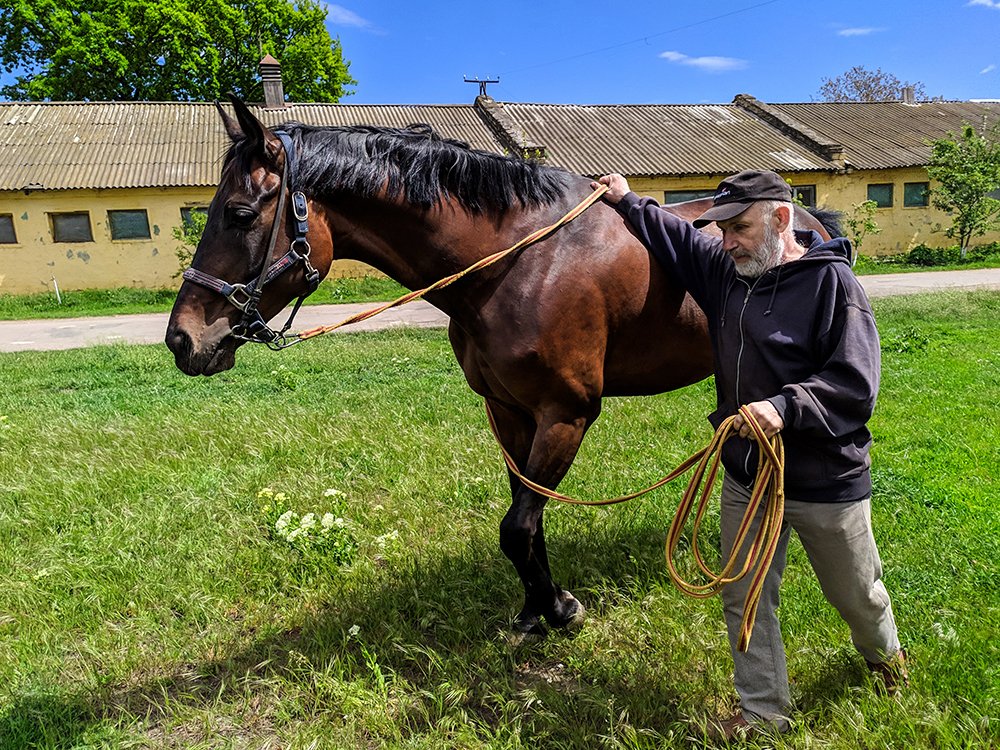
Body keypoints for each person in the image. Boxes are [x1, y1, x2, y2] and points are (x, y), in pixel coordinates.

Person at [592, 170, 907, 740]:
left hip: (822, 478)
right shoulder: (726, 273)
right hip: (747, 472)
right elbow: (677, 237)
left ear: (781, 219)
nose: (726, 241)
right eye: (722, 229)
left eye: (739, 228)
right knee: (744, 593)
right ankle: (764, 710)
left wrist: (785, 408)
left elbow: (856, 384)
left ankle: (886, 659)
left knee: (856, 593)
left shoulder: (832, 286)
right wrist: (626, 198)